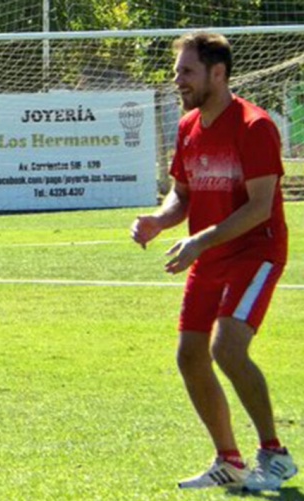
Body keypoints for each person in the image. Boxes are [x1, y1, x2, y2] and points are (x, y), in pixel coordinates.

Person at [131, 31, 297, 491]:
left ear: (218, 74)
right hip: (209, 253)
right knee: (190, 355)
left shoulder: (254, 126)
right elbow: (182, 194)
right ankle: (228, 458)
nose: (177, 80)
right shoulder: (187, 128)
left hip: (255, 251)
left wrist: (198, 242)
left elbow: (260, 206)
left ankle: (274, 454)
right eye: (176, 71)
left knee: (227, 346)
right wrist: (159, 221)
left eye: (186, 71)